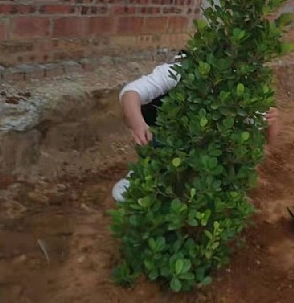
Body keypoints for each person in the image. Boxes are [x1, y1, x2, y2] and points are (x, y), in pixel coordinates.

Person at [112, 52, 280, 202]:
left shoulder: (243, 87)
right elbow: (131, 93)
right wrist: (138, 124)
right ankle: (150, 168)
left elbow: (267, 141)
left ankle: (214, 183)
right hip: (171, 136)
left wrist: (272, 120)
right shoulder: (182, 69)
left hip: (213, 151)